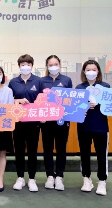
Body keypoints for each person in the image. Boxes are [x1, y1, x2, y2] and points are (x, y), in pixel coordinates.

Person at [75, 60, 110, 196]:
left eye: (94, 69)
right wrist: (83, 106)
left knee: (102, 155)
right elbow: (74, 107)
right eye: (88, 69)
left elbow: (110, 105)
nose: (91, 72)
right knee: (84, 154)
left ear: (98, 71)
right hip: (84, 126)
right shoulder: (79, 87)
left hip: (101, 126)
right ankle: (86, 179)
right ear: (84, 71)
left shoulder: (104, 86)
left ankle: (102, 181)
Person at [8, 54, 41, 192]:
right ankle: (20, 177)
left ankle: (32, 179)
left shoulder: (38, 81)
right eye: (23, 65)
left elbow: (43, 100)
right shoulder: (13, 82)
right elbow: (9, 102)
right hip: (18, 121)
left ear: (32, 66)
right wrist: (18, 101)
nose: (25, 67)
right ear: (19, 66)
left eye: (28, 64)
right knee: (19, 150)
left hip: (34, 121)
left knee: (33, 151)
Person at [40, 55, 72, 191]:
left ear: (60, 64)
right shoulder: (42, 81)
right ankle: (49, 176)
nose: (53, 67)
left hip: (62, 121)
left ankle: (59, 176)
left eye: (56, 64)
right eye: (50, 65)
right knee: (47, 148)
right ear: (47, 66)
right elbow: (39, 100)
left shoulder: (66, 80)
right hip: (46, 121)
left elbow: (71, 100)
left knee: (61, 148)